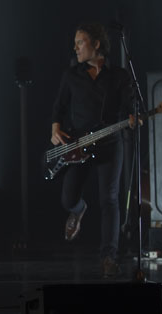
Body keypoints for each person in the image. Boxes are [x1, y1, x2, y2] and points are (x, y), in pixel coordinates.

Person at [50, 23, 137, 278]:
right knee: (68, 198)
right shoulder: (71, 75)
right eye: (75, 43)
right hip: (79, 146)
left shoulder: (119, 76)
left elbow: (129, 107)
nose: (75, 47)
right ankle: (78, 210)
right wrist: (55, 128)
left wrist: (132, 118)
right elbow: (59, 107)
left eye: (81, 42)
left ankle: (109, 256)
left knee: (109, 199)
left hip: (110, 144)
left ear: (96, 44)